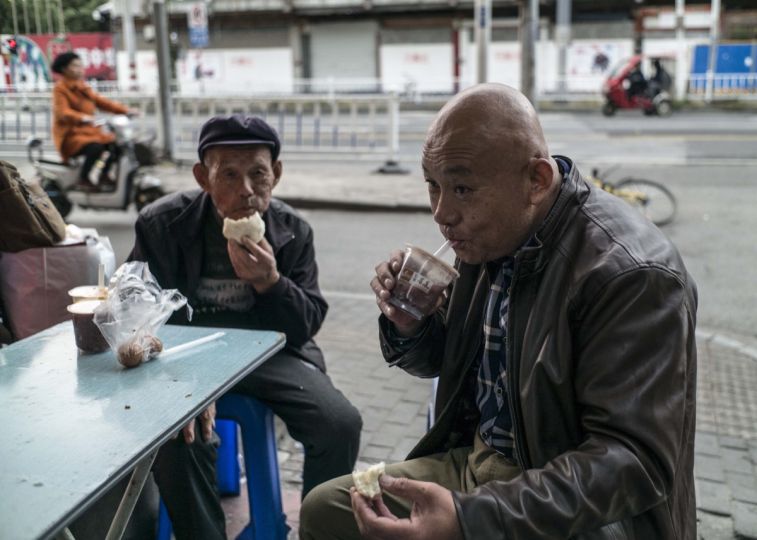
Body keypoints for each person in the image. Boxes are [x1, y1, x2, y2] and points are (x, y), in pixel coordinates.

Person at [299, 83, 697, 539]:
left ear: (537, 180)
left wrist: (470, 520)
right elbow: (447, 363)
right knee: (326, 510)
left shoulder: (630, 273)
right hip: (478, 463)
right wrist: (411, 325)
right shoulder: (490, 238)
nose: (442, 214)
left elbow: (635, 463)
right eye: (434, 185)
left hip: (580, 508)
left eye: (463, 188)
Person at [128, 114, 362, 539]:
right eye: (229, 175)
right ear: (203, 177)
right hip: (188, 356)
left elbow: (306, 324)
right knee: (177, 438)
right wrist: (178, 383)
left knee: (339, 423)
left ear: (277, 173)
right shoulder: (162, 225)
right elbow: (139, 310)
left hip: (270, 353)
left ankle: (318, 530)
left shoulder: (293, 231)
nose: (247, 192)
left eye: (258, 174)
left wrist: (270, 283)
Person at [51, 51, 134, 190]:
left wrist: (126, 110)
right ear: (64, 69)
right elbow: (62, 112)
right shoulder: (60, 88)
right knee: (96, 148)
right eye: (75, 65)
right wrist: (84, 117)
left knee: (116, 145)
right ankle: (83, 179)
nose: (80, 68)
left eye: (80, 65)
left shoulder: (83, 86)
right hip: (71, 136)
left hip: (89, 132)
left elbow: (102, 102)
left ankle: (103, 175)